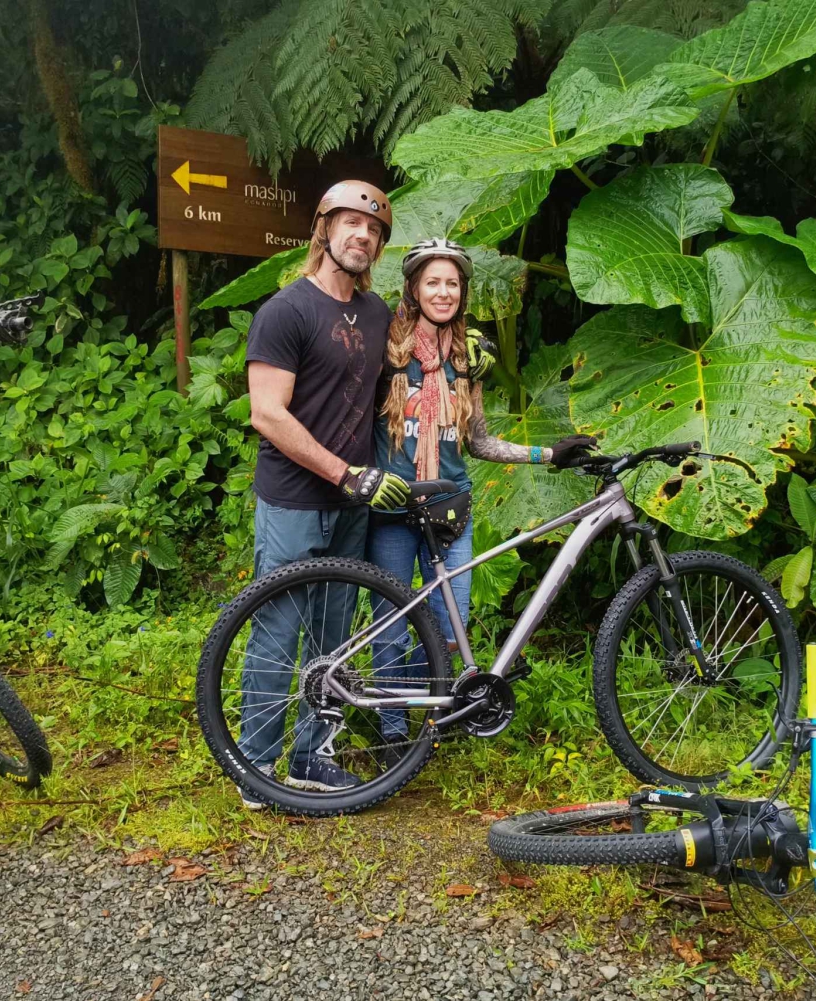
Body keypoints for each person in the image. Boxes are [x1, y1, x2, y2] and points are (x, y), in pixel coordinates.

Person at [365, 239, 595, 766]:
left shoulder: (467, 361)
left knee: (450, 629)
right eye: (433, 282)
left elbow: (479, 442)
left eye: (452, 283)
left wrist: (548, 453)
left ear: (462, 292)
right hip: (395, 512)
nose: (443, 292)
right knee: (391, 627)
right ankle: (393, 734)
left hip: (451, 512)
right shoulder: (387, 349)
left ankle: (434, 721)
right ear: (414, 289)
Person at [238, 180, 408, 803]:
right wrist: (343, 473)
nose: (362, 236)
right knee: (279, 632)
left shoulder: (376, 313)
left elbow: (405, 374)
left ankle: (312, 755)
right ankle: (255, 767)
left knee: (335, 637)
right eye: (351, 224)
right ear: (324, 228)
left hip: (353, 505)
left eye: (374, 231)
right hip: (294, 499)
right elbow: (267, 413)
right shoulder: (286, 311)